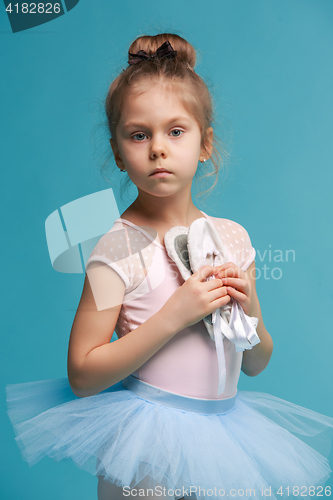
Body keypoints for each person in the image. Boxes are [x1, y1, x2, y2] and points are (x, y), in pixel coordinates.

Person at [6, 33, 333, 500]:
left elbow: (258, 362)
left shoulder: (234, 239)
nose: (158, 148)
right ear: (119, 153)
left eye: (175, 131)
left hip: (225, 440)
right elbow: (82, 374)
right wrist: (175, 315)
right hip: (150, 446)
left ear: (205, 143)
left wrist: (249, 305)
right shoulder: (115, 249)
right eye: (139, 135)